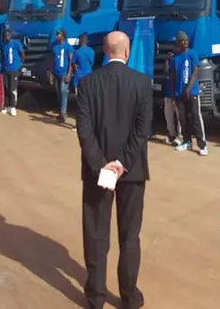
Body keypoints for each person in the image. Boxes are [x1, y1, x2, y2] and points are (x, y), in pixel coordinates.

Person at [76, 31, 151, 309]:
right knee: (129, 235)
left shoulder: (87, 84)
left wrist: (102, 164)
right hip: (131, 172)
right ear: (127, 52)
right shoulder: (142, 84)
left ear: (104, 51)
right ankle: (129, 295)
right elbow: (142, 131)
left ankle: (96, 297)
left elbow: (84, 131)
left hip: (98, 171)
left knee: (96, 232)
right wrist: (122, 163)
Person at [170, 31, 208, 156]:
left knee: (195, 118)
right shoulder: (175, 58)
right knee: (183, 119)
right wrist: (174, 93)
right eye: (182, 41)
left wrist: (188, 89)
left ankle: (202, 145)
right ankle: (187, 141)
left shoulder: (192, 54)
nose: (185, 42)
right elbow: (173, 76)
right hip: (179, 94)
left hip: (191, 92)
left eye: (186, 40)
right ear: (178, 43)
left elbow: (195, 72)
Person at [51, 28, 73, 123]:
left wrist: (69, 73)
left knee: (63, 91)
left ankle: (63, 113)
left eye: (58, 34)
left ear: (63, 35)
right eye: (56, 34)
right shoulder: (54, 46)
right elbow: (53, 60)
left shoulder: (68, 47)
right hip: (56, 73)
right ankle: (61, 110)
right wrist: (51, 73)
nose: (56, 36)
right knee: (58, 93)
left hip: (64, 73)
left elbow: (71, 61)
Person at [1, 28, 24, 116]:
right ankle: (7, 106)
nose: (7, 37)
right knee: (6, 88)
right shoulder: (4, 46)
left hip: (14, 69)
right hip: (6, 69)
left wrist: (21, 65)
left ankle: (13, 106)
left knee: (12, 88)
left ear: (10, 35)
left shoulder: (16, 43)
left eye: (8, 35)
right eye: (5, 35)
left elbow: (22, 53)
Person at [162, 49, 181, 146]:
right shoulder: (169, 60)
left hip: (177, 92)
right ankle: (171, 134)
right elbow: (165, 72)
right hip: (168, 92)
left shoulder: (180, 59)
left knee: (179, 114)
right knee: (168, 114)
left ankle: (180, 135)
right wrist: (167, 60)